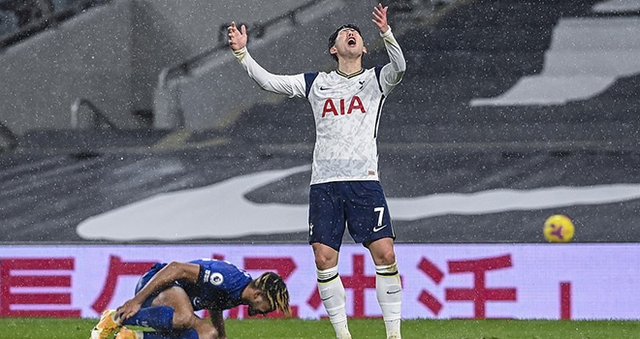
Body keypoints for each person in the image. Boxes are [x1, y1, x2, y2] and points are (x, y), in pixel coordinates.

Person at [227, 3, 405, 339]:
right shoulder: (316, 83)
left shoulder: (375, 80)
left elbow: (400, 66)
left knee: (385, 253)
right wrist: (242, 54)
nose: (351, 34)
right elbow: (269, 83)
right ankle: (343, 335)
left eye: (356, 34)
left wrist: (387, 33)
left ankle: (393, 335)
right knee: (324, 259)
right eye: (343, 34)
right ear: (333, 49)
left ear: (365, 47)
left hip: (364, 181)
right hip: (325, 183)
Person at [90, 258, 290, 339]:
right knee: (186, 318)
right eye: (269, 305)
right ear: (257, 295)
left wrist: (221, 336)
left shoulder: (239, 293)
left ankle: (132, 337)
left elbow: (215, 305)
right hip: (156, 282)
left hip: (170, 299)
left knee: (206, 335)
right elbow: (177, 268)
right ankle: (115, 317)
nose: (267, 312)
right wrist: (137, 301)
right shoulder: (228, 278)